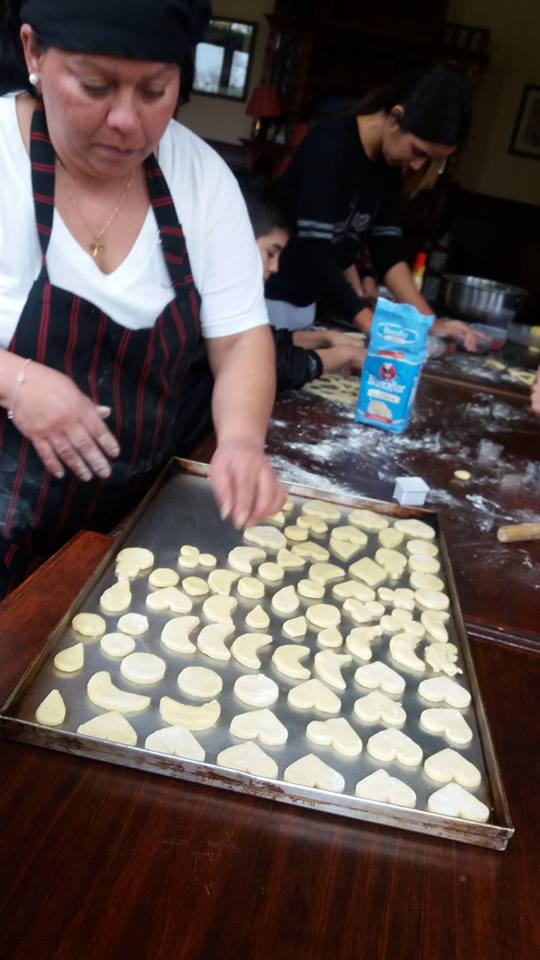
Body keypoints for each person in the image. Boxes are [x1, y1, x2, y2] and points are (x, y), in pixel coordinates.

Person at [0, 0, 284, 597]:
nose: (127, 120)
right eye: (95, 86)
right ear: (33, 51)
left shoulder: (201, 178)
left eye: (155, 90)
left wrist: (239, 440)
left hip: (124, 544)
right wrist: (16, 381)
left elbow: (239, 338)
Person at [265, 67, 482, 352]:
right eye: (418, 151)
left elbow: (388, 251)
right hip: (268, 296)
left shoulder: (388, 167)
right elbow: (314, 250)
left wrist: (427, 322)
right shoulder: (330, 145)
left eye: (429, 160)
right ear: (395, 117)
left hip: (305, 303)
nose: (417, 165)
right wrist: (372, 325)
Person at [175, 171, 366, 455]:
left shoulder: (221, 296)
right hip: (176, 451)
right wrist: (345, 355)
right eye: (270, 252)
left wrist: (325, 338)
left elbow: (263, 341)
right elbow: (270, 365)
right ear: (236, 238)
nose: (275, 267)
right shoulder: (192, 299)